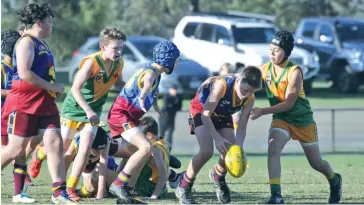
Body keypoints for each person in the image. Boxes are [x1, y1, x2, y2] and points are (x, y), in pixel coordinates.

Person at [28, 27, 126, 201]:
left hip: (93, 111)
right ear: (103, 47)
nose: (118, 51)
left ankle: (70, 188)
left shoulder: (119, 63)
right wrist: (87, 111)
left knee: (85, 147)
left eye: (121, 47)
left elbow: (118, 83)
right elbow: (74, 88)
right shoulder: (91, 62)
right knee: (63, 150)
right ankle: (41, 153)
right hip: (74, 109)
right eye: (115, 48)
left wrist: (131, 90)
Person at [250, 30, 342, 204]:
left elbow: (288, 104)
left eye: (276, 50)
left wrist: (262, 111)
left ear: (286, 52)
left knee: (316, 164)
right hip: (281, 118)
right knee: (273, 147)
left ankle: (335, 179)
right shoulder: (265, 69)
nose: (271, 53)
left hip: (302, 121)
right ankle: (276, 195)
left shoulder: (295, 71)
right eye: (270, 49)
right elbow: (244, 79)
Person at [0, 3, 74, 204]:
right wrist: (53, 87)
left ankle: (59, 192)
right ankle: (18, 193)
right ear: (39, 23)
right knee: (16, 150)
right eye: (50, 22)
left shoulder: (42, 43)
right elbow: (24, 74)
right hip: (24, 100)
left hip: (43, 102)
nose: (52, 26)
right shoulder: (26, 42)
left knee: (55, 140)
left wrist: (50, 89)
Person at [176, 66, 262, 204]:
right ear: (238, 80)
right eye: (244, 90)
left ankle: (218, 176)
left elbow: (242, 126)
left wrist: (238, 148)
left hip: (223, 114)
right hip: (201, 111)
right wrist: (217, 138)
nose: (246, 95)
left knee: (231, 150)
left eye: (251, 92)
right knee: (206, 151)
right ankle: (184, 186)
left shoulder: (249, 98)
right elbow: (205, 115)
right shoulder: (221, 85)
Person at [107, 40, 180, 203]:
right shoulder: (151, 72)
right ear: (168, 59)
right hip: (121, 114)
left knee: (137, 151)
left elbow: (153, 89)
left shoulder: (156, 73)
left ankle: (127, 191)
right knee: (146, 147)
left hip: (127, 116)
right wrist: (142, 96)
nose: (177, 63)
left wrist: (155, 104)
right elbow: (147, 81)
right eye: (176, 59)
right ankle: (119, 184)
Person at [159, 84, 182, 150]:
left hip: (171, 118)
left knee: (170, 133)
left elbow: (179, 107)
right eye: (173, 90)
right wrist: (173, 106)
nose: (175, 91)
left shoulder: (178, 97)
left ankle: (168, 148)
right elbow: (166, 107)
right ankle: (160, 147)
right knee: (161, 134)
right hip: (164, 118)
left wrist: (172, 106)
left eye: (175, 90)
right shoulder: (166, 96)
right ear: (170, 90)